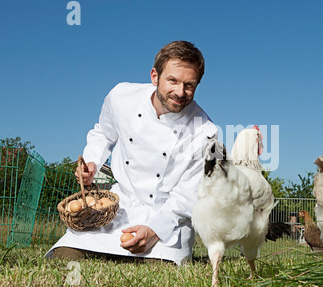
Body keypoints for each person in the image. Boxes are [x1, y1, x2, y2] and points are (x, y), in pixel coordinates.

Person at [46, 41, 217, 265]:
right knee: (65, 257)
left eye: (189, 85)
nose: (180, 92)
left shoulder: (206, 131)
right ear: (155, 76)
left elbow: (188, 195)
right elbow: (103, 133)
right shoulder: (121, 97)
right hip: (120, 207)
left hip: (167, 216)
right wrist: (91, 163)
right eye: (172, 81)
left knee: (159, 271)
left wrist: (155, 230)